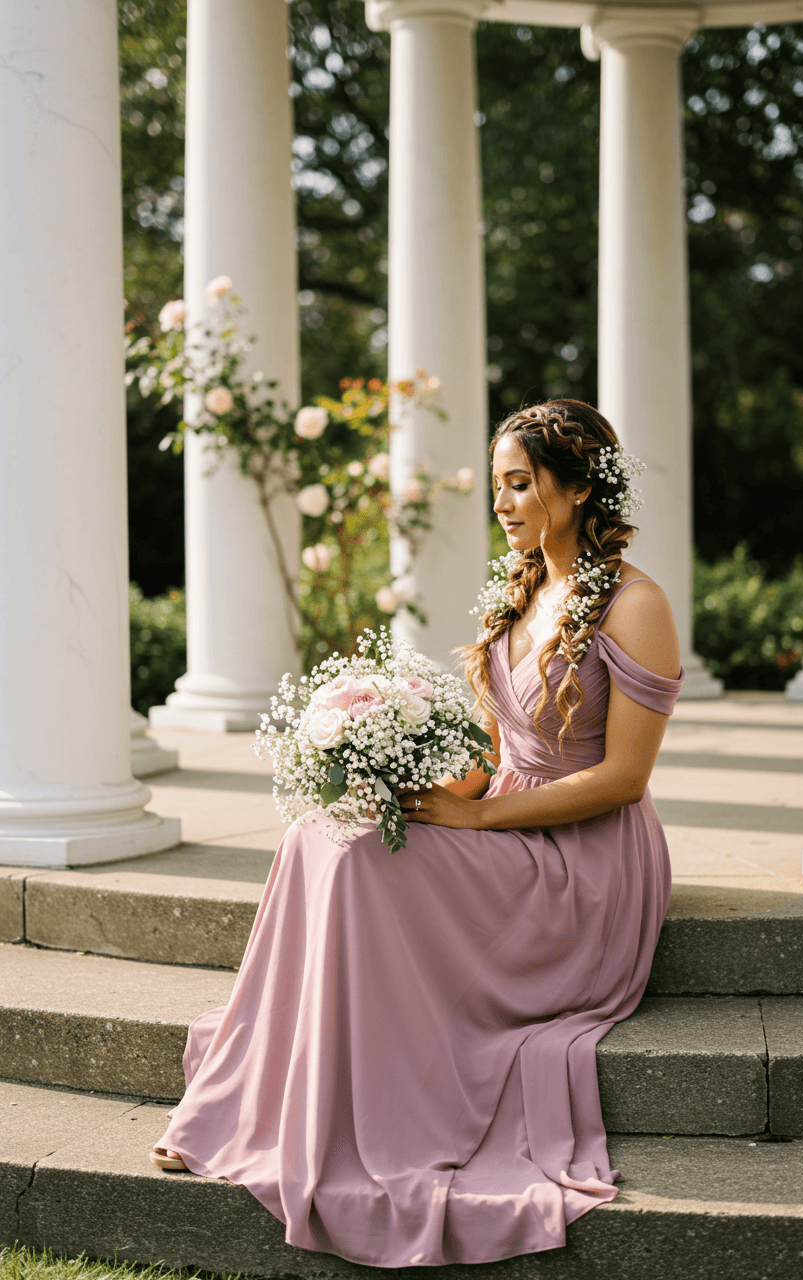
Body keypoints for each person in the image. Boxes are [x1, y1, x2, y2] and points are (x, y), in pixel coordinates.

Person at [150, 399, 684, 1268]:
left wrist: (474, 817)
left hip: (588, 862)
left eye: (522, 484)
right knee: (326, 833)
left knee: (364, 866)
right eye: (500, 486)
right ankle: (261, 1099)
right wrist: (397, 780)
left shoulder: (636, 603)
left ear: (582, 486)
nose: (503, 503)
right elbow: (489, 753)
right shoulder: (519, 592)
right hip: (509, 814)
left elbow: (623, 778)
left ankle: (375, 1121)